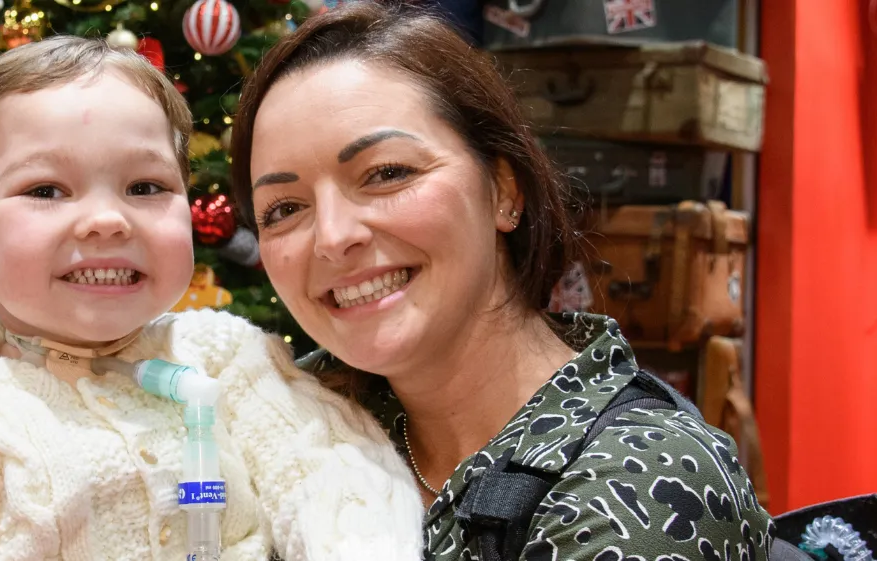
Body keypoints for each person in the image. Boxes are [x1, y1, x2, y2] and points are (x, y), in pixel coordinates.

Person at [0, 36, 424, 560]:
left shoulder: (225, 358)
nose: (107, 220)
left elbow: (334, 474)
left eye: (145, 185)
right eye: (47, 189)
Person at [227, 2, 775, 560]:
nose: (332, 236)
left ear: (505, 190)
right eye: (283, 208)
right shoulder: (290, 418)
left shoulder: (639, 480)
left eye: (387, 173)